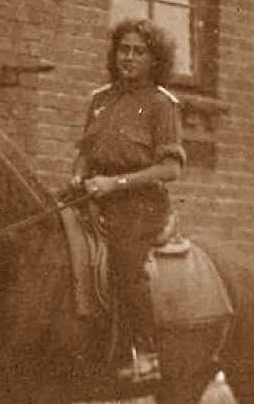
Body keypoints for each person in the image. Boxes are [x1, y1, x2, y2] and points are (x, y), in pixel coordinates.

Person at [70, 19, 186, 384]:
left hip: (140, 203)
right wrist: (78, 174)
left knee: (123, 257)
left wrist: (115, 183)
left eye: (139, 51)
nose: (129, 57)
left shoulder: (161, 104)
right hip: (95, 193)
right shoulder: (100, 100)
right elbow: (85, 152)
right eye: (124, 49)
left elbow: (170, 169)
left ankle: (145, 351)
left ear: (154, 59)